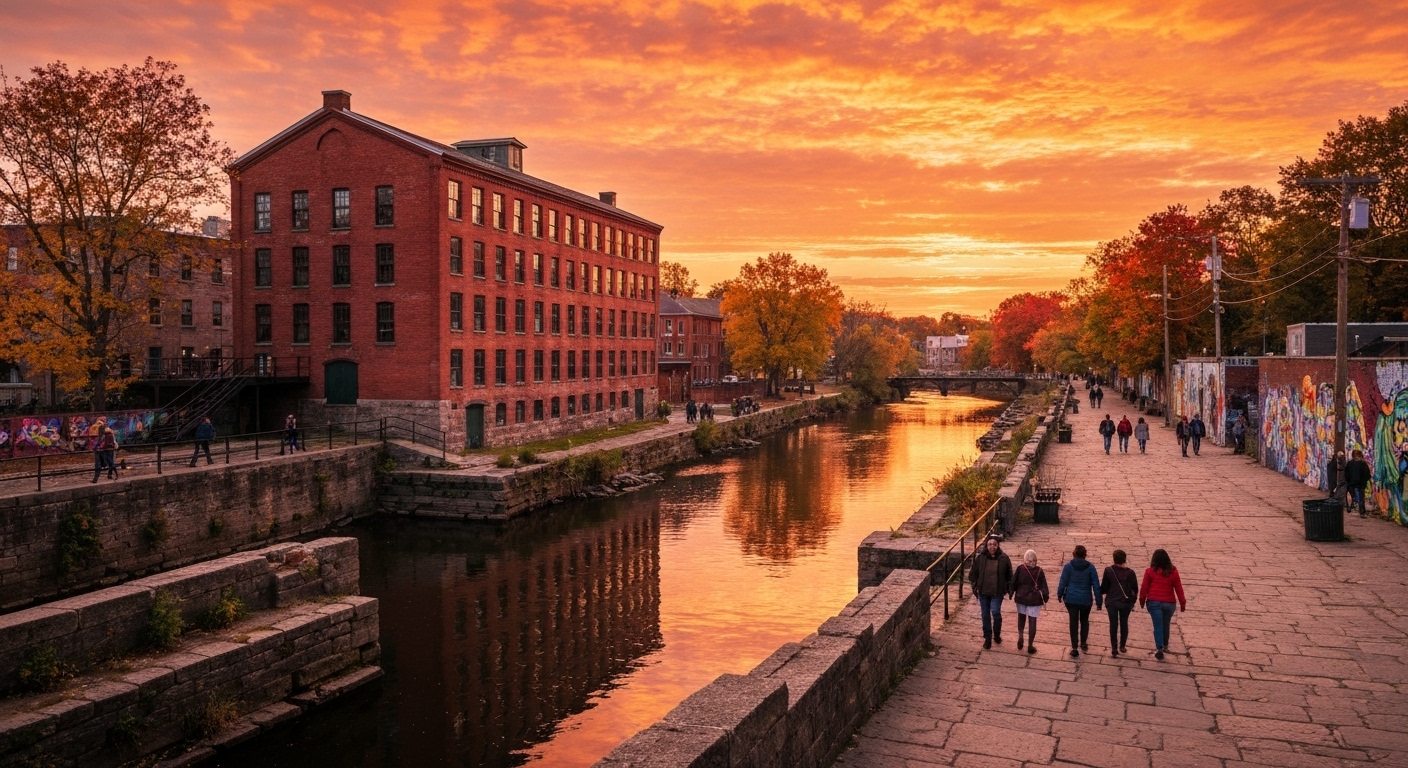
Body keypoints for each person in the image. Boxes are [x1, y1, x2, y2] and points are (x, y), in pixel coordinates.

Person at [1138, 549, 1186, 661]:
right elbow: (1179, 589)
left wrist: (1141, 600)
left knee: (1158, 626)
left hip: (1154, 602)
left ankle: (1159, 648)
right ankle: (1165, 644)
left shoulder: (1149, 571)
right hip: (1169, 604)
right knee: (1166, 624)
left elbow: (1144, 588)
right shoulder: (1173, 572)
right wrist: (1182, 603)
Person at [968, 535, 1013, 650]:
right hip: (983, 591)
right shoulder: (981, 558)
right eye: (989, 544)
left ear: (998, 546)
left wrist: (1009, 589)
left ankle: (996, 634)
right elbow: (973, 574)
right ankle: (987, 638)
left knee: (995, 611)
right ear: (986, 546)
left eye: (994, 544)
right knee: (985, 615)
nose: (992, 547)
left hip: (997, 592)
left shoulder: (1004, 558)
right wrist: (975, 586)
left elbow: (1009, 576)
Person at [1056, 545, 1101, 657]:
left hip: (1071, 599)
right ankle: (1084, 642)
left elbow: (1063, 582)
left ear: (1074, 553)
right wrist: (1099, 601)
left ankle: (1074, 647)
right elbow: (1096, 585)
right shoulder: (1091, 567)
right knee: (1084, 621)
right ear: (1085, 554)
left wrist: (1060, 594)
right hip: (1086, 600)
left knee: (1073, 622)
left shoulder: (1068, 567)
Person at [1009, 549, 1049, 654]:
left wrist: (1011, 592)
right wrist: (1045, 598)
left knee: (1021, 618)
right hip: (1034, 599)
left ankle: (1021, 635)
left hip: (1021, 597)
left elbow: (1013, 582)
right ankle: (1030, 645)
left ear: (1025, 560)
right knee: (1032, 621)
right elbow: (1044, 586)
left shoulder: (1020, 569)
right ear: (1035, 560)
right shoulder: (1039, 571)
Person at [1101, 549, 1139, 657]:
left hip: (1112, 601)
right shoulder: (1130, 573)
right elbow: (1135, 589)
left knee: (1113, 624)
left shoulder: (1109, 571)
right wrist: (1132, 602)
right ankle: (1122, 645)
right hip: (1125, 602)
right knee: (1124, 623)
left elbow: (1104, 587)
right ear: (1124, 559)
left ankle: (1114, 648)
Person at [1345, 449, 1372, 518]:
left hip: (1354, 483)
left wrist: (1348, 481)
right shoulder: (1362, 464)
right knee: (1359, 498)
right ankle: (1361, 511)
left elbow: (1346, 474)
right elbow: (1367, 474)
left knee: (1353, 496)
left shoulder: (1351, 463)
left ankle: (1351, 507)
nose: (1357, 457)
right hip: (1359, 483)